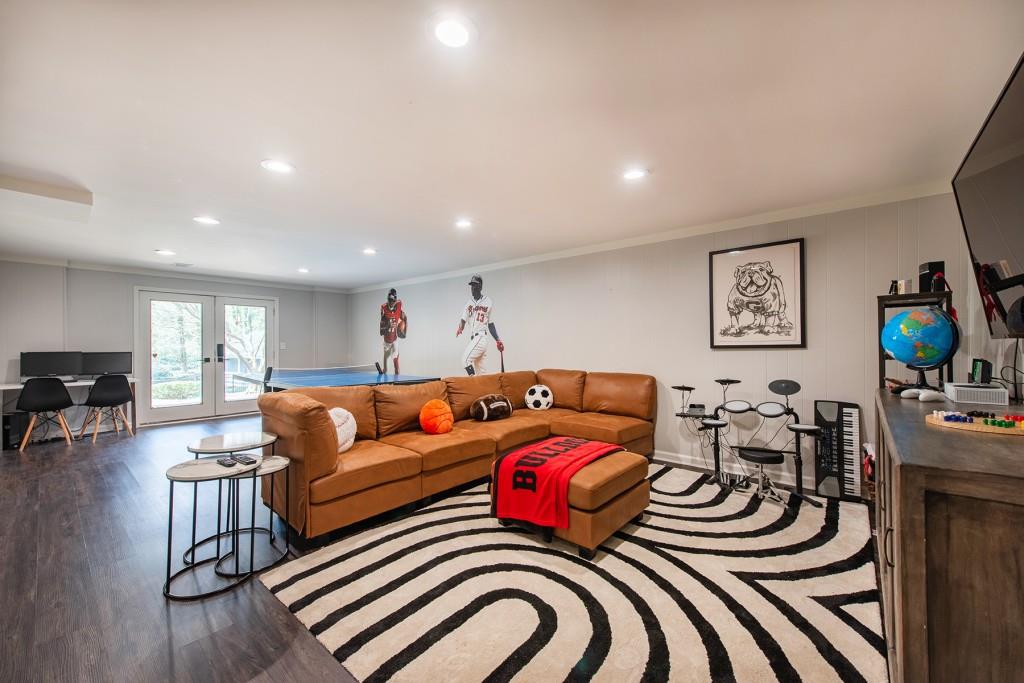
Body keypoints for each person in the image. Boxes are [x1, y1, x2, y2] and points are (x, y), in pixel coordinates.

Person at [456, 274, 504, 375]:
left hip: (481, 337)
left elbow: (490, 324)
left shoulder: (488, 301)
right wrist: (461, 327)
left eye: (475, 285)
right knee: (481, 374)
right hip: (474, 339)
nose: (473, 288)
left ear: (481, 286)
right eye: (472, 285)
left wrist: (498, 340)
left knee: (465, 360)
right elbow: (463, 319)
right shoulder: (469, 303)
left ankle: (473, 384)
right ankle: (482, 389)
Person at [379, 288, 407, 374]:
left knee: (396, 362)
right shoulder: (383, 308)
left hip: (395, 339)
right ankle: (384, 373)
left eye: (393, 301)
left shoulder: (399, 304)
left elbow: (405, 318)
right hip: (387, 341)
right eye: (389, 301)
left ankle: (397, 381)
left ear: (395, 300)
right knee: (385, 363)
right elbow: (381, 332)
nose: (391, 303)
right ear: (387, 300)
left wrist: (404, 331)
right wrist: (388, 326)